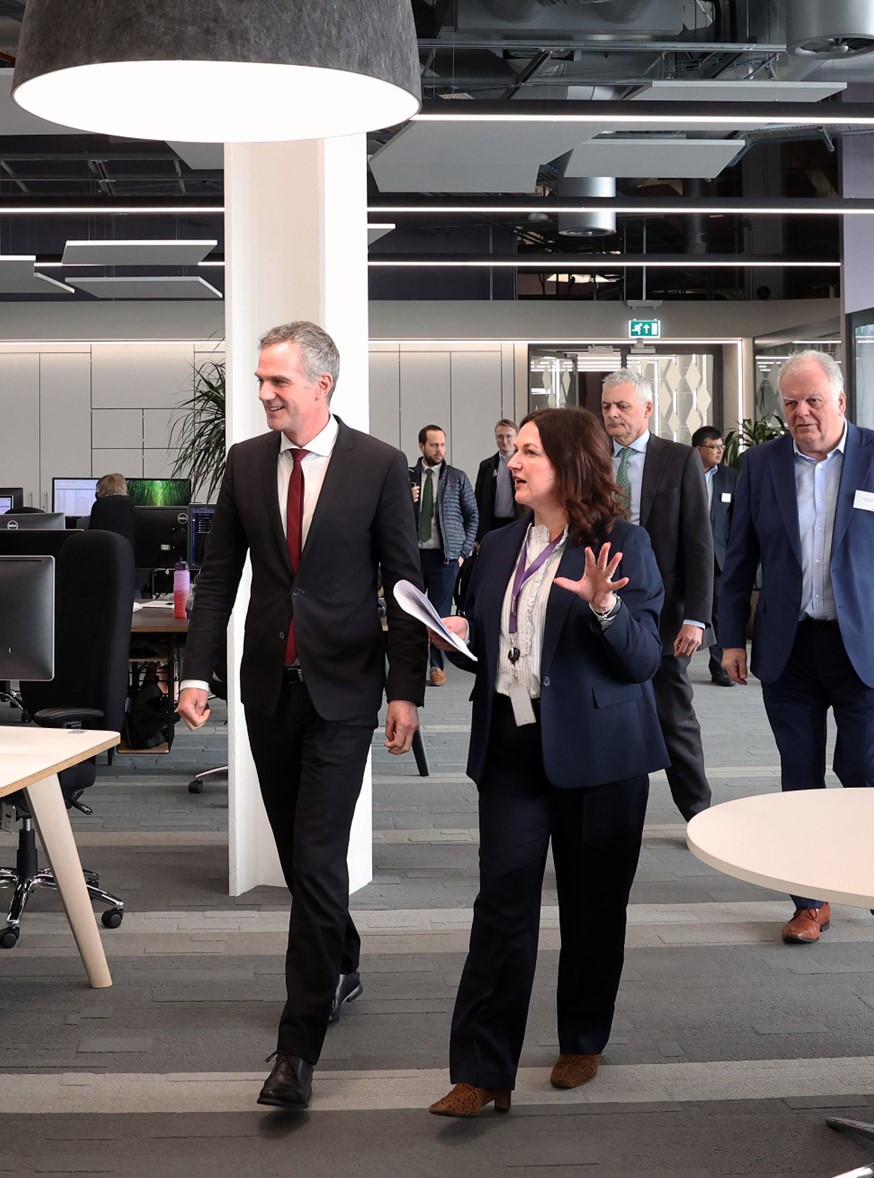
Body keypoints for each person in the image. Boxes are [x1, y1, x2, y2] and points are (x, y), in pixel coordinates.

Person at [176, 320, 427, 1111]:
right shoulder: (246, 463)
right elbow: (217, 580)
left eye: (277, 382)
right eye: (259, 380)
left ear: (321, 385)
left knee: (318, 859)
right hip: (269, 689)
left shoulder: (379, 466)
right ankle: (343, 957)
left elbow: (405, 585)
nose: (262, 393)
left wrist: (404, 688)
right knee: (295, 852)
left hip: (346, 692)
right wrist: (195, 670)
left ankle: (296, 1048)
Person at [427, 407, 667, 1118]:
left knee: (593, 909)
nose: (513, 462)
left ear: (571, 463)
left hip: (599, 753)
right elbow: (497, 641)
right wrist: (457, 633)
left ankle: (582, 1038)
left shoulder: (623, 543)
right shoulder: (499, 546)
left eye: (530, 452)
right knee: (500, 906)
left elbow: (643, 659)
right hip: (510, 745)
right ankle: (481, 1071)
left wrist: (604, 610)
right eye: (514, 451)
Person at [717, 350, 874, 945]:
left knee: (866, 767)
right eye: (790, 402)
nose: (800, 412)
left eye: (813, 400)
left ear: (841, 401)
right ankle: (809, 900)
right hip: (788, 647)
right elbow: (738, 562)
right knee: (799, 778)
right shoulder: (761, 466)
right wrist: (729, 640)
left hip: (867, 644)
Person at [601, 370, 714, 821]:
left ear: (647, 409)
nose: (612, 414)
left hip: (664, 616)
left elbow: (699, 544)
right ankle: (609, 814)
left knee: (672, 717)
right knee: (607, 713)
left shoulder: (679, 459)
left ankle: (698, 813)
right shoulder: (591, 458)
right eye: (607, 406)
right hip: (602, 607)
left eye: (622, 406)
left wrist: (697, 618)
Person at [413, 424, 478, 687]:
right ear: (421, 447)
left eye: (442, 445)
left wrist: (463, 553)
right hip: (414, 556)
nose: (439, 450)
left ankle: (437, 667)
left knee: (440, 616)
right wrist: (408, 499)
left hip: (446, 559)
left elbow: (473, 515)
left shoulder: (457, 477)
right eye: (433, 445)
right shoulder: (406, 477)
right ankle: (413, 666)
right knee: (413, 615)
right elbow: (391, 515)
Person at [692, 425, 739, 686]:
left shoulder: (731, 478)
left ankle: (719, 664)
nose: (720, 451)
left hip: (720, 556)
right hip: (688, 555)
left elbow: (739, 519)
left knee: (720, 611)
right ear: (698, 449)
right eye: (714, 447)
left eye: (721, 446)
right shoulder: (683, 474)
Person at [474, 419, 520, 546]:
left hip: (518, 523)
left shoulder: (524, 464)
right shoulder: (486, 466)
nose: (504, 441)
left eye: (508, 436)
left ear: (516, 437)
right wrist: (477, 535)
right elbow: (478, 500)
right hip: (492, 526)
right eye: (500, 437)